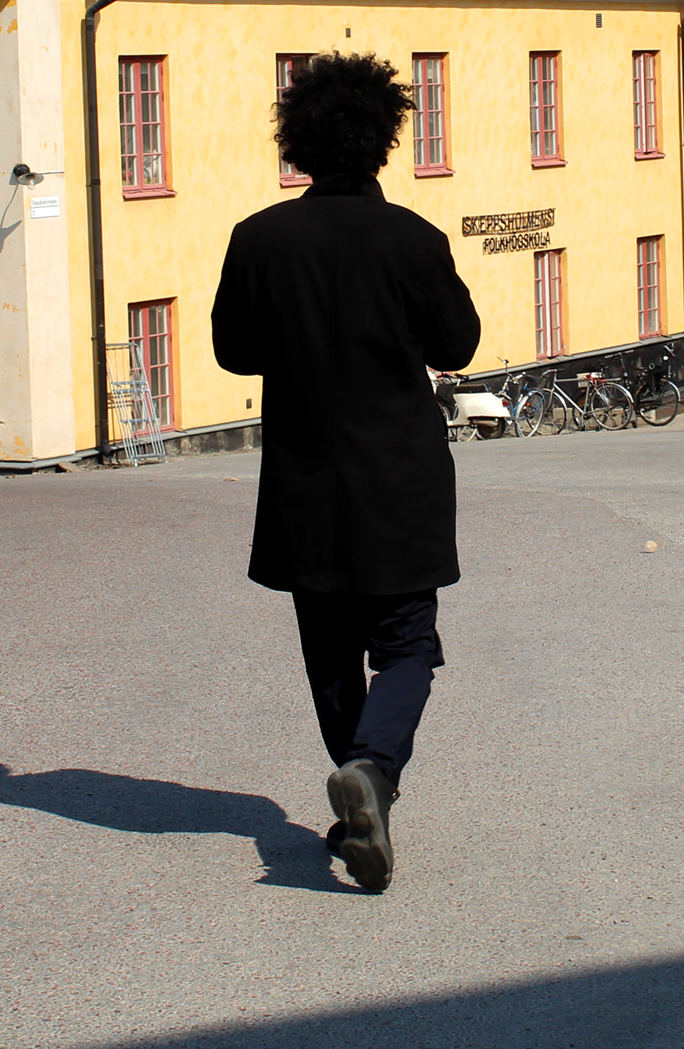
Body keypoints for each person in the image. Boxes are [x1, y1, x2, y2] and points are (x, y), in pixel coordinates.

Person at [211, 52, 482, 893]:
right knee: (406, 646)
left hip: (303, 484)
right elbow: (458, 344)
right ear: (382, 140)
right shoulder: (413, 239)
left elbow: (232, 351)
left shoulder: (257, 239)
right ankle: (373, 770)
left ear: (298, 143)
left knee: (329, 654)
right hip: (398, 483)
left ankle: (364, 781)